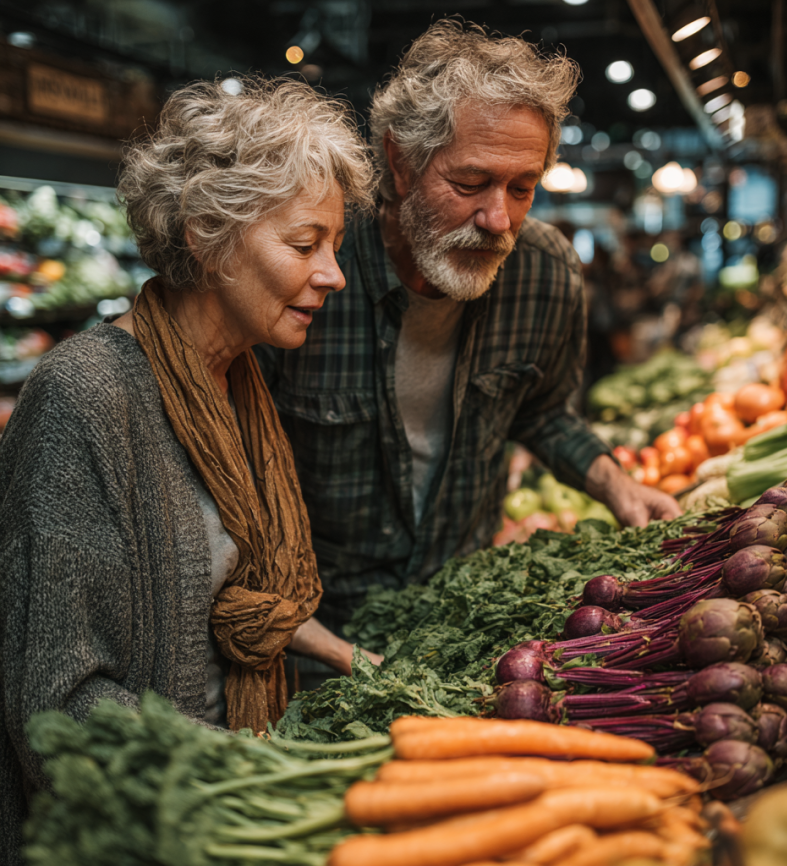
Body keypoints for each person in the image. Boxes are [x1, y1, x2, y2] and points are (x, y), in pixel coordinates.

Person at [0, 76, 378, 863]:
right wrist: (250, 781)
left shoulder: (239, 382)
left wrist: (354, 661)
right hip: (145, 831)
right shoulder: (86, 399)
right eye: (305, 244)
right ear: (208, 234)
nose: (333, 274)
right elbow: (60, 702)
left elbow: (229, 599)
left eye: (335, 247)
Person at [255, 21, 682, 681]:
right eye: (471, 182)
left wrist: (616, 486)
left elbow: (541, 411)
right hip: (311, 642)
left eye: (522, 186)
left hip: (460, 630)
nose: (500, 219)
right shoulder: (315, 274)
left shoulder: (544, 274)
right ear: (399, 161)